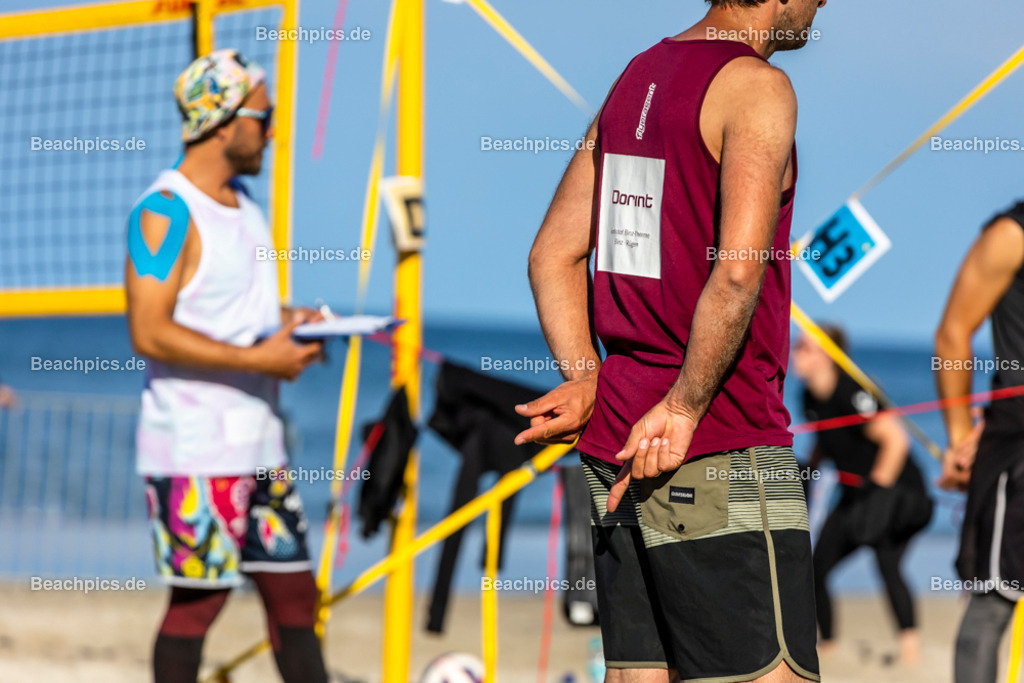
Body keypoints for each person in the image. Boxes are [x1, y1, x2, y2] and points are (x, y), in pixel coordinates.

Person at [515, 0, 828, 680]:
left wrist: (586, 376)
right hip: (718, 441)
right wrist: (684, 405)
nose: (825, 2)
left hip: (616, 441)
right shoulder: (755, 86)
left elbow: (552, 255)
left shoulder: (639, 76)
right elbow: (739, 269)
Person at [124, 50, 327, 683]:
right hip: (194, 450)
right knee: (198, 604)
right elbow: (148, 329)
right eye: (265, 118)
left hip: (258, 442)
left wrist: (290, 324)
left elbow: (232, 313)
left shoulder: (243, 203)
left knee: (296, 596)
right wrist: (258, 356)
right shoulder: (163, 212)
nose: (273, 130)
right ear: (223, 121)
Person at [792, 325, 931, 664]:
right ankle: (828, 643)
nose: (795, 352)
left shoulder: (853, 390)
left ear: (828, 355)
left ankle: (910, 648)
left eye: (805, 347)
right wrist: (806, 474)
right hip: (855, 494)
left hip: (899, 492)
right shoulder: (808, 396)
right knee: (816, 567)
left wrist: (876, 494)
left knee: (886, 560)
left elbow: (896, 441)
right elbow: (825, 443)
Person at [935, 200, 1024, 683]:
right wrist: (960, 437)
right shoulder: (1012, 234)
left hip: (1013, 443)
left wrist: (960, 437)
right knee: (995, 595)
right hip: (1014, 443)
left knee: (991, 604)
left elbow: (953, 334)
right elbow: (953, 335)